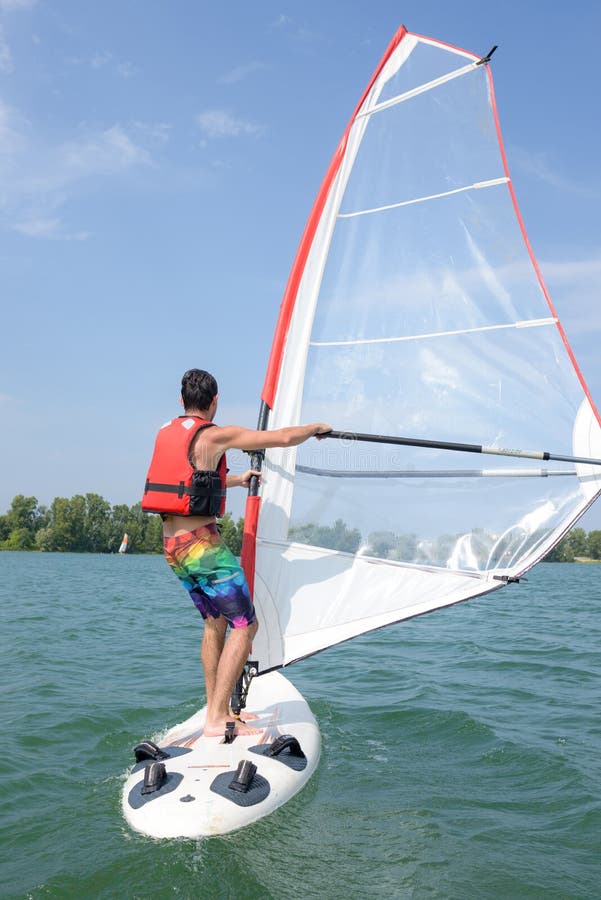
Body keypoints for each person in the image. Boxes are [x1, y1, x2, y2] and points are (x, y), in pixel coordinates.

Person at [142, 368, 331, 738]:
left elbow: (192, 478)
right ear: (215, 402)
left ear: (182, 402)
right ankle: (216, 718)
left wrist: (236, 480)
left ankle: (219, 707)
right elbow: (281, 437)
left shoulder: (168, 432)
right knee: (246, 625)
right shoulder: (217, 434)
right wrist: (314, 429)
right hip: (201, 546)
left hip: (172, 547)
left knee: (215, 622)